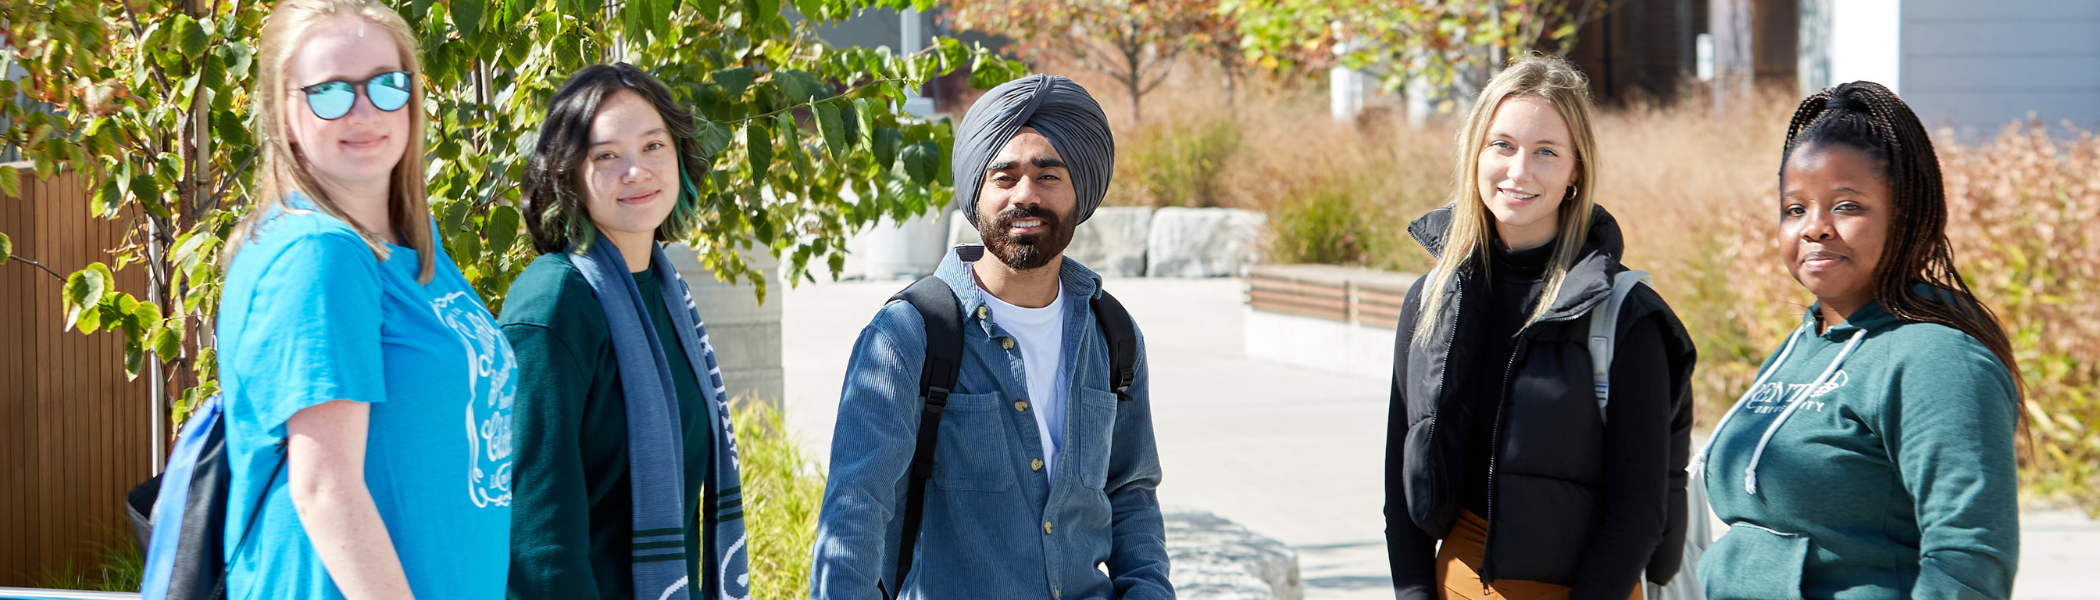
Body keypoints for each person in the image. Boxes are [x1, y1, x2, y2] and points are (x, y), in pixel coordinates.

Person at [808, 74, 1173, 599]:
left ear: (1080, 194)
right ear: (976, 193)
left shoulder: (1111, 333)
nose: (1025, 195)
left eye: (1049, 176)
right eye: (1004, 177)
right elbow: (854, 511)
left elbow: (1131, 491)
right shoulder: (909, 335)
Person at [216, 0, 516, 597]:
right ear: (284, 108)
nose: (363, 111)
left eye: (387, 84)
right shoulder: (320, 254)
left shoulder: (409, 243)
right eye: (330, 91)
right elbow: (325, 487)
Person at [1384, 55, 1699, 600]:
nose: (1519, 171)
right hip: (1457, 582)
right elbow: (1400, 483)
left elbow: (1638, 514)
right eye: (1501, 145)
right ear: (1474, 151)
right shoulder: (1430, 299)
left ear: (1576, 170)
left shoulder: (1626, 315)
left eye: (1546, 152)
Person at [1693, 81, 2022, 599]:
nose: (1814, 228)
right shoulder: (1802, 345)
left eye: (1846, 206)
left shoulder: (1937, 359)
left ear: (1906, 215)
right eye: (1795, 208)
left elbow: (1968, 560)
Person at [501, 63, 750, 600]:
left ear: (680, 157)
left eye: (653, 146)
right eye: (606, 155)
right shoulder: (554, 303)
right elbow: (537, 542)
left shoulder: (664, 292)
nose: (636, 171)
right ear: (566, 174)